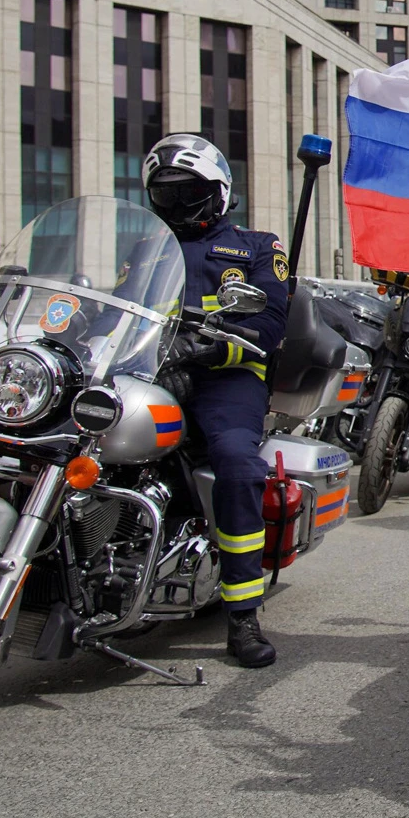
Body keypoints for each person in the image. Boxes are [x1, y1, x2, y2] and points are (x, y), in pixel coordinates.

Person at [141, 133, 291, 669]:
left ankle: (242, 613)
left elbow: (271, 321)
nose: (177, 205)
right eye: (166, 195)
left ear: (220, 192)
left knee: (236, 463)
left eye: (189, 192)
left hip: (225, 377)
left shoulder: (256, 246)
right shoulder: (145, 249)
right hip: (149, 373)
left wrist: (208, 345)